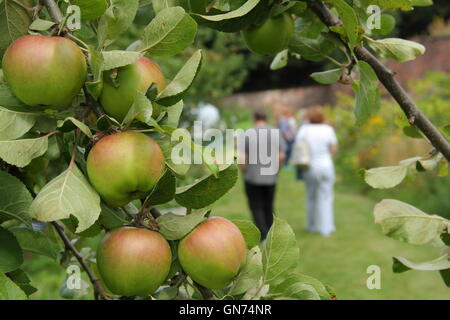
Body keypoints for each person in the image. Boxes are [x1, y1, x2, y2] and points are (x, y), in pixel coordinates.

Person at [239, 109, 286, 241]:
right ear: (266, 118)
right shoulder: (275, 132)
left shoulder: (248, 133)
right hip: (271, 176)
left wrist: (244, 172)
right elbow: (281, 156)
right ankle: (272, 233)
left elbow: (243, 158)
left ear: (254, 118)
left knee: (256, 206)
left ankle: (263, 234)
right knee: (269, 204)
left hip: (252, 177)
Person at [295, 106, 338, 237]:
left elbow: (298, 147)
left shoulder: (304, 129)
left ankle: (311, 226)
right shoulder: (328, 129)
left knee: (311, 197)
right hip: (326, 166)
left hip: (310, 168)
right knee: (326, 197)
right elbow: (333, 149)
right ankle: (327, 227)